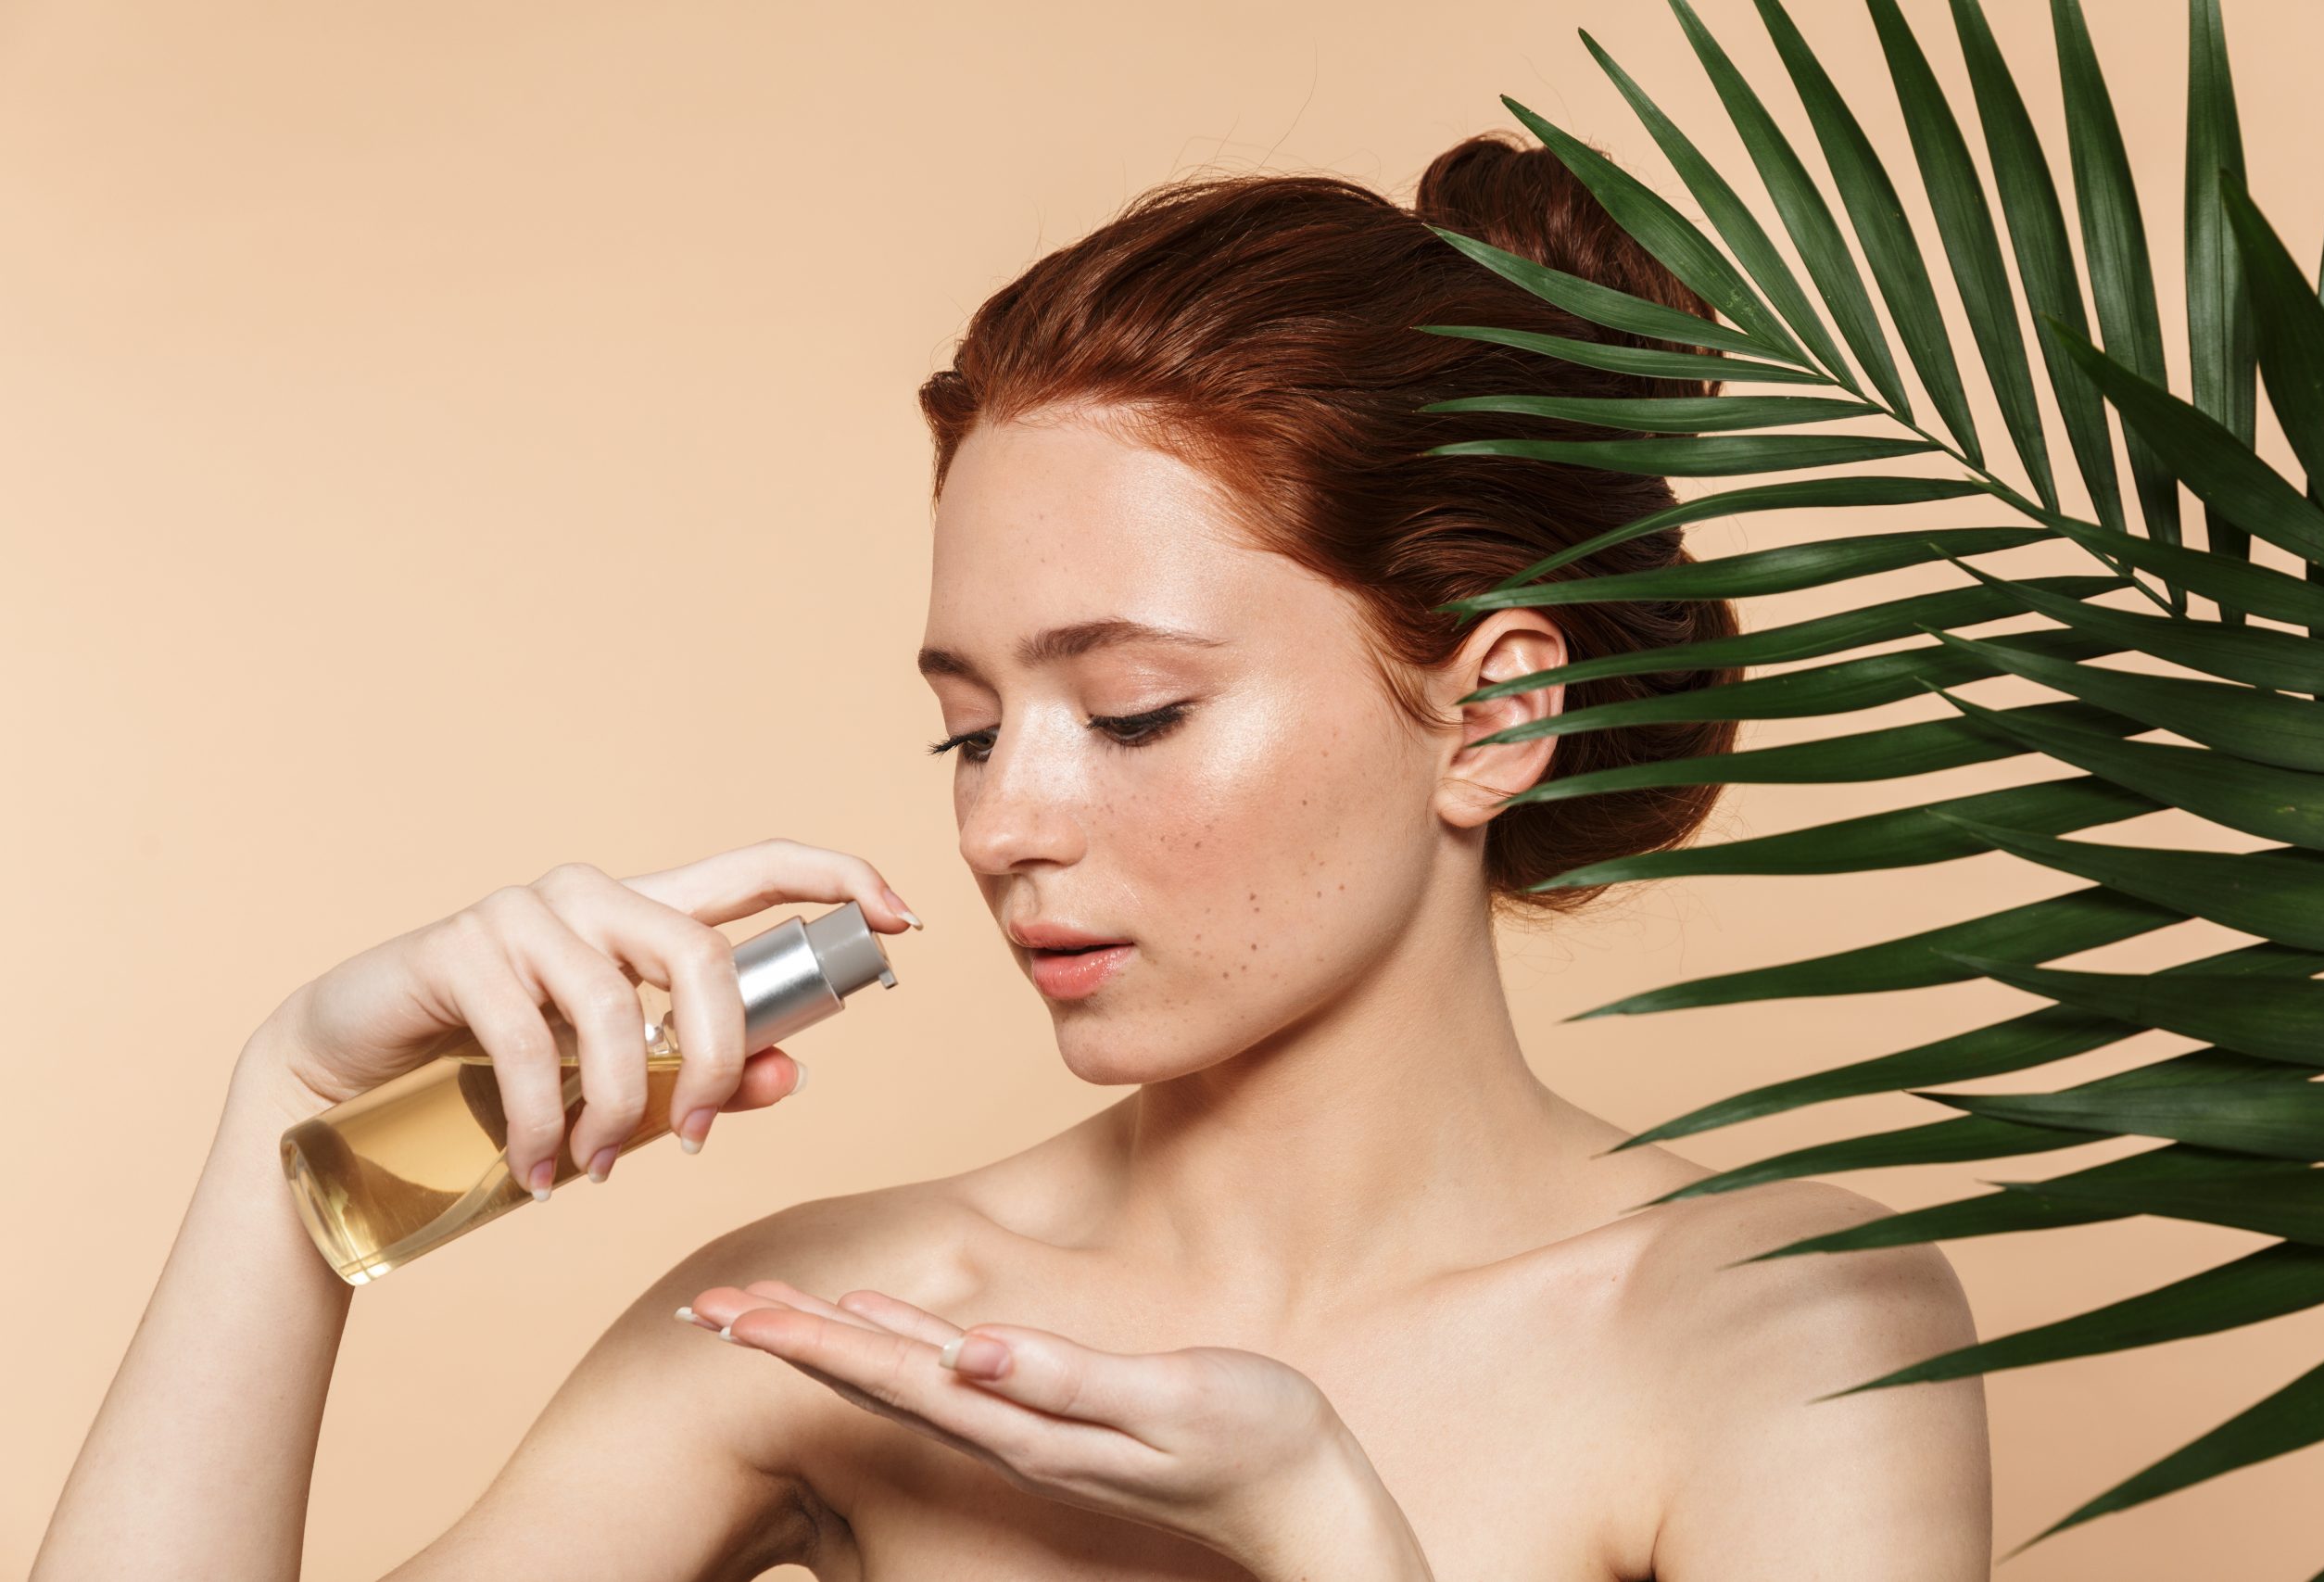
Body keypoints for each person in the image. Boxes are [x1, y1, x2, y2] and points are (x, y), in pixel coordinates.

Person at [33, 131, 1990, 1580]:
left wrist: (1317, 1517)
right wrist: (287, 1138)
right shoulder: (844, 1322)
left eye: (1129, 710)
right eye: (965, 726)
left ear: (1487, 713)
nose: (999, 819)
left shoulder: (1768, 1332)